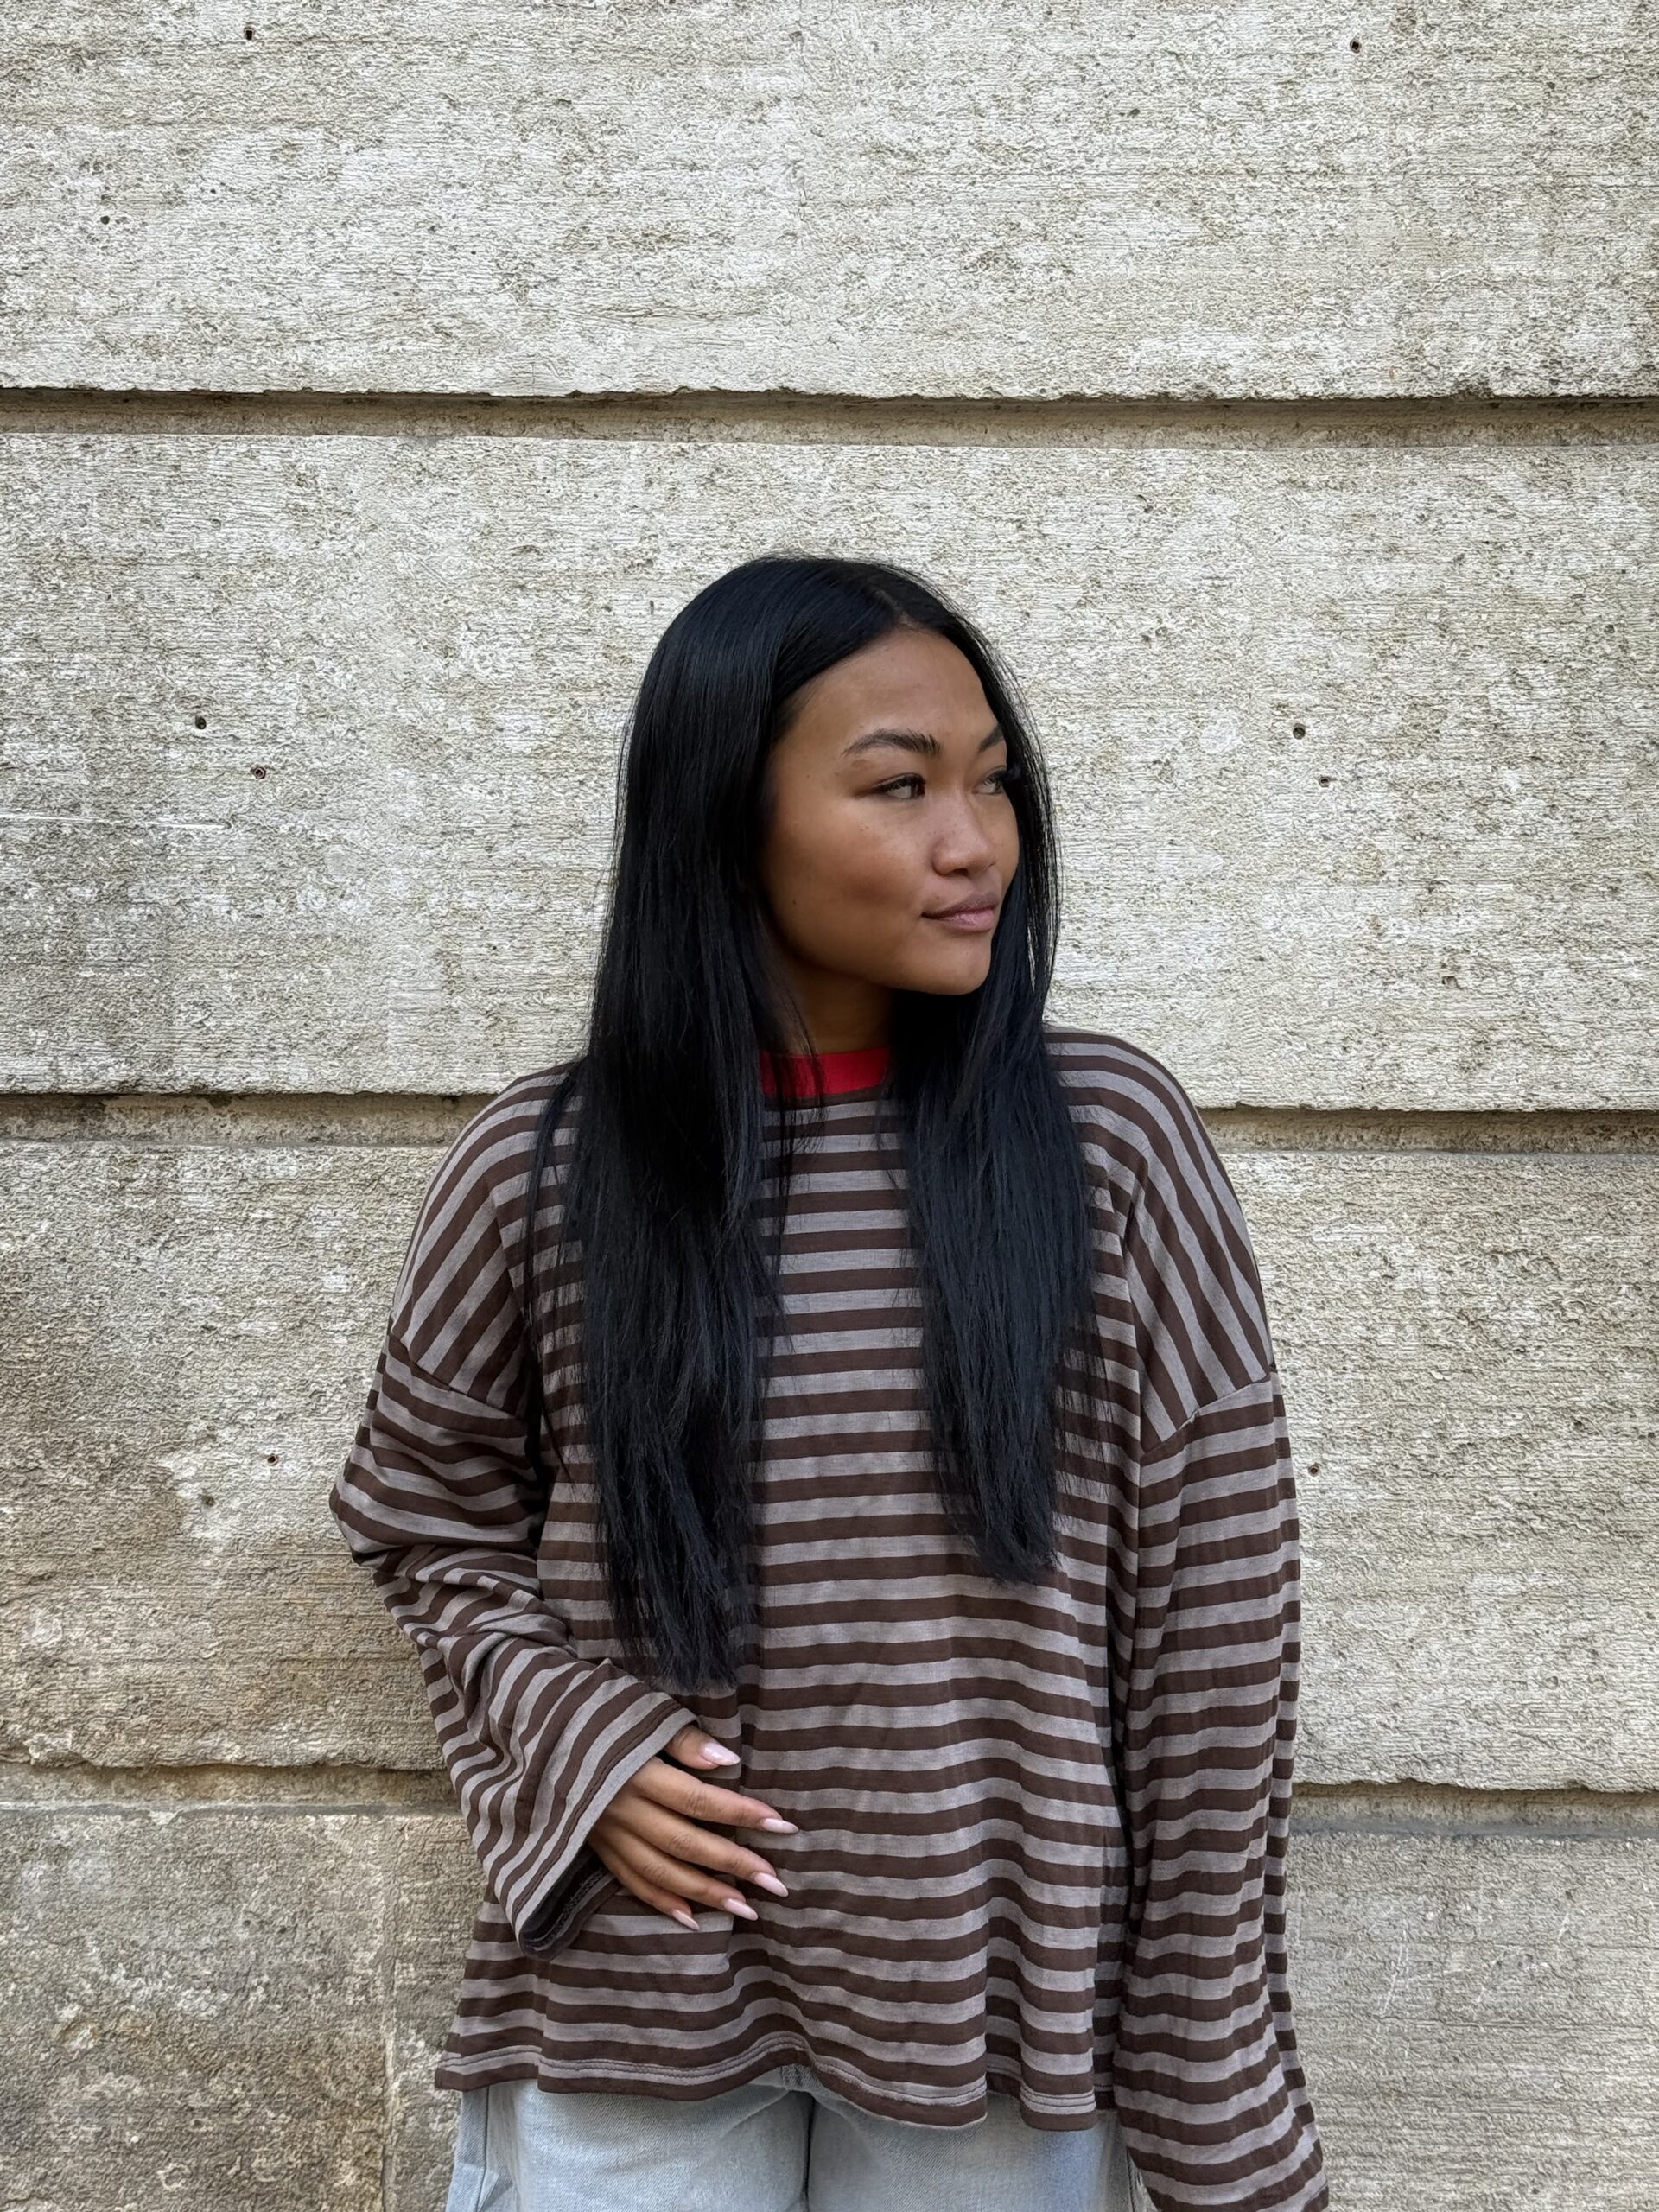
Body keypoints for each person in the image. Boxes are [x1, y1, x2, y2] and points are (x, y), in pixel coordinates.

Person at [328, 553, 1328, 2212]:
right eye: (901, 786)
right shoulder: (545, 1171)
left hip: (997, 2021)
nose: (975, 842)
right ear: (729, 823)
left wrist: (1212, 2084)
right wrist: (580, 1747)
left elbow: (1215, 1648)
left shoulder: (1109, 1149)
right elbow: (422, 1524)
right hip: (636, 1995)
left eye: (994, 784)